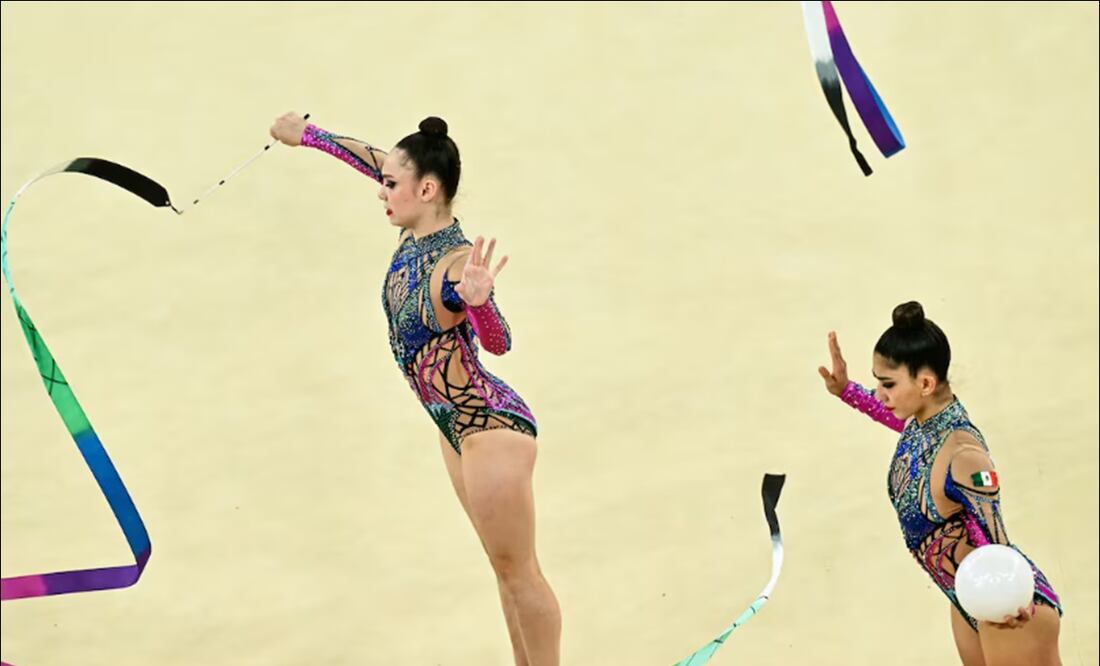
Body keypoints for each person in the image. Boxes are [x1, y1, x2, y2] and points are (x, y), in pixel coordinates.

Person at [270, 112, 561, 665]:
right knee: (503, 571)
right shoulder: (417, 222)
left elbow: (498, 343)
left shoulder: (454, 264)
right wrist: (306, 135)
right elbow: (372, 159)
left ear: (427, 190)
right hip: (454, 428)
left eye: (391, 185)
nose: (381, 189)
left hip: (489, 429)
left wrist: (479, 304)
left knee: (521, 574)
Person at [817, 301, 1062, 666]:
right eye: (878, 381)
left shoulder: (963, 454)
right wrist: (846, 390)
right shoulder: (922, 424)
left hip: (1010, 611)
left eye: (888, 384)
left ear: (926, 383)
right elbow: (888, 415)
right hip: (967, 596)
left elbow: (996, 537)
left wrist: (1013, 599)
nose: (880, 393)